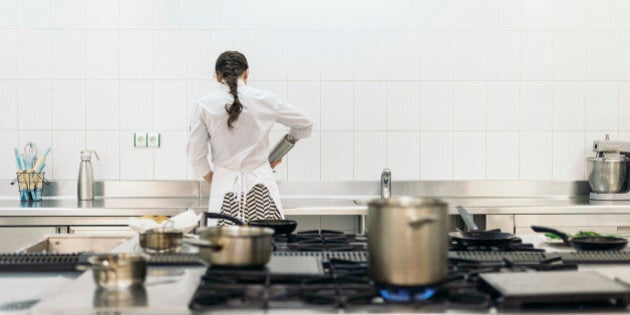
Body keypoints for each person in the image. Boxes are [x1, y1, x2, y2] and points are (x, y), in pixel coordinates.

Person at [187, 51, 313, 226]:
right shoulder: (265, 99)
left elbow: (196, 155)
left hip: (225, 189)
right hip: (262, 188)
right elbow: (305, 123)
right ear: (246, 73)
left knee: (225, 248)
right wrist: (281, 149)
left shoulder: (203, 105)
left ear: (217, 76)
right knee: (267, 246)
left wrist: (213, 177)